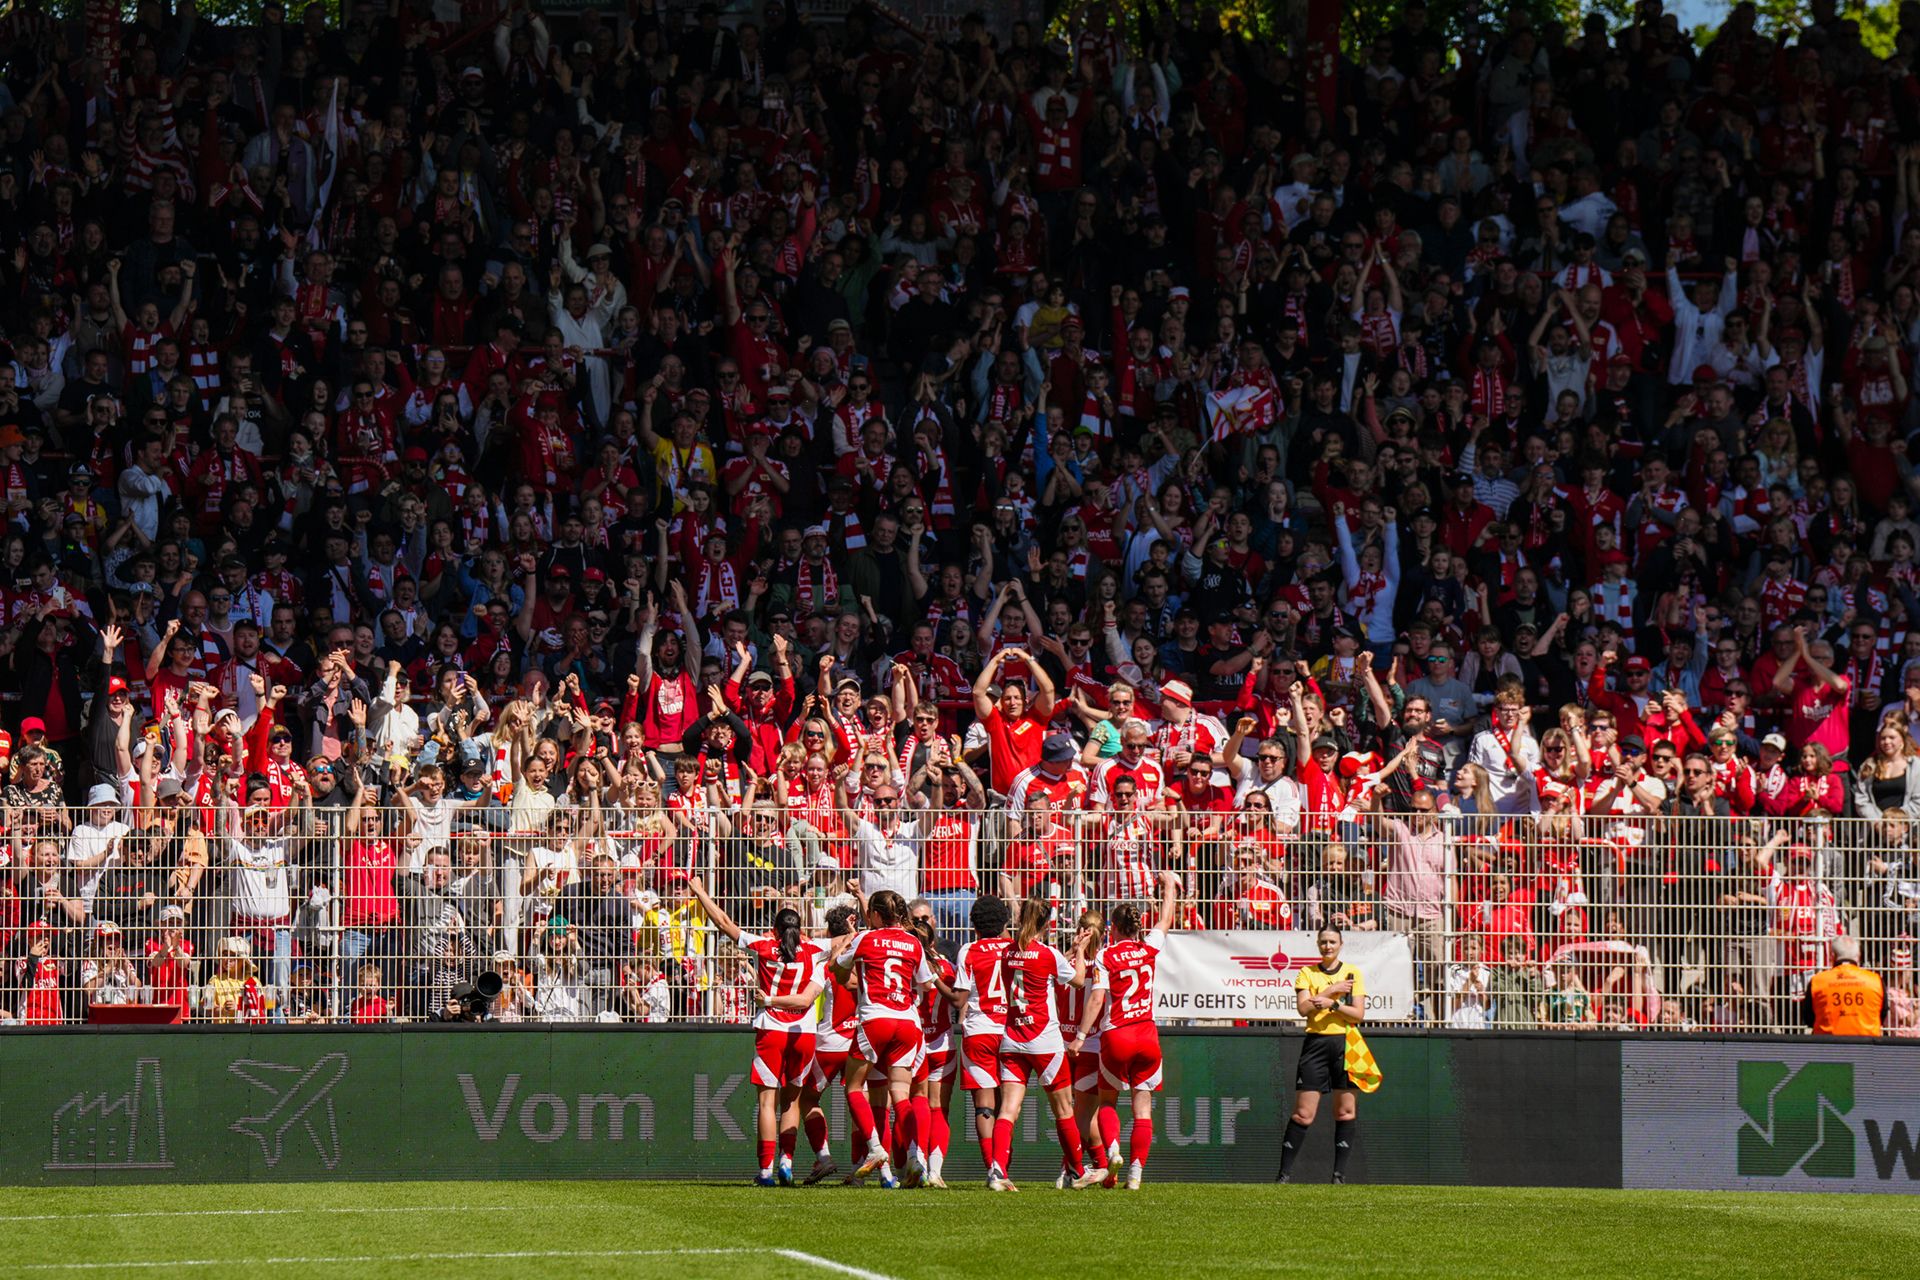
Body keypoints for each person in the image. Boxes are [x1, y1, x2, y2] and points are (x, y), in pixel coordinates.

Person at [689, 876, 825, 1186]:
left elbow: (724, 922)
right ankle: (787, 1163)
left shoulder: (763, 946)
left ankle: (765, 1171)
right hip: (803, 1033)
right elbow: (846, 941)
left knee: (767, 1102)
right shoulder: (815, 949)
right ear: (800, 930)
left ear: (775, 930)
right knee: (792, 1101)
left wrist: (700, 892)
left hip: (771, 1029)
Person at [1070, 869, 1180, 1190]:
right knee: (1142, 1108)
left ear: (1113, 929)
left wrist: (1080, 1036)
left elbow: (1096, 999)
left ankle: (1113, 1150)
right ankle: (1135, 1174)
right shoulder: (1148, 948)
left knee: (1107, 1103)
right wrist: (1170, 885)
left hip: (1117, 1035)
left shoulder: (1106, 955)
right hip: (1147, 1034)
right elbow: (1165, 920)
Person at [831, 889, 937, 1188]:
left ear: (876, 914)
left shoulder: (866, 938)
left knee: (853, 1087)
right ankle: (917, 1158)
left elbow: (836, 971)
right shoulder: (914, 941)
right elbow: (927, 985)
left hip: (875, 1019)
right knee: (902, 1096)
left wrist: (848, 944)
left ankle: (876, 1150)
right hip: (907, 1023)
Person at [1277, 927, 1368, 1184]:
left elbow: (1358, 1015)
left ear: (1341, 944)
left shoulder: (1353, 973)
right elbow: (1304, 1009)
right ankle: (1283, 1175)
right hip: (1315, 1044)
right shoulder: (1307, 972)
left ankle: (1338, 1176)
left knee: (1345, 1112)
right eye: (1323, 942)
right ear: (1318, 944)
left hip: (1346, 1045)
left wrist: (1334, 1005)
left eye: (1332, 942)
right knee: (1303, 1114)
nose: (1328, 946)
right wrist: (1331, 991)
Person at [1804, 936, 1887, 1037]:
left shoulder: (1817, 981)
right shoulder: (1875, 980)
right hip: (1867, 1045)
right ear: (1859, 956)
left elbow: (1808, 1018)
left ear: (1832, 956)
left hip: (1827, 1045)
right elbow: (1882, 1014)